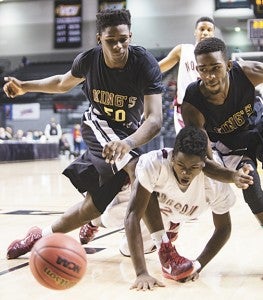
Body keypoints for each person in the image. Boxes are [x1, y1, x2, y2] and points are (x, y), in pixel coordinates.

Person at [3, 9, 164, 260]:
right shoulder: (89, 60)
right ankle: (166, 250)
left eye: (124, 39)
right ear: (100, 39)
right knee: (139, 169)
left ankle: (40, 235)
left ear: (130, 35)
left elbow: (155, 119)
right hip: (97, 124)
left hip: (126, 137)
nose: (119, 46)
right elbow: (60, 83)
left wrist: (128, 141)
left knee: (92, 207)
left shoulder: (144, 63)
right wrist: (24, 86)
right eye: (111, 40)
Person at [124, 126, 253, 290]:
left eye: (193, 168)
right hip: (156, 213)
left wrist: (198, 265)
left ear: (203, 165)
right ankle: (96, 222)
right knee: (125, 246)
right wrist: (141, 272)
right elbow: (132, 216)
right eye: (180, 164)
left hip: (186, 211)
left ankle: (166, 243)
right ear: (172, 157)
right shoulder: (154, 163)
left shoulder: (215, 184)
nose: (185, 172)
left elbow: (224, 228)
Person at [181, 37, 263, 226]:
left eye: (215, 68)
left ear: (228, 65)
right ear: (197, 69)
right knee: (251, 187)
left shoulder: (247, 72)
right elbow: (204, 160)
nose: (209, 76)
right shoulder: (192, 105)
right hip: (230, 145)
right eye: (203, 69)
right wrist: (232, 176)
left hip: (257, 122)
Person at [159, 17, 215, 134]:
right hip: (185, 108)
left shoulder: (217, 57)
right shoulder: (183, 50)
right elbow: (158, 68)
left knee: (209, 146)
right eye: (202, 29)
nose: (205, 32)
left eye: (209, 30)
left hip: (209, 108)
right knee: (188, 145)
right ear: (195, 32)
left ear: (213, 34)